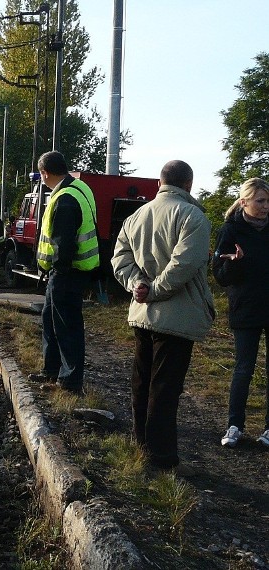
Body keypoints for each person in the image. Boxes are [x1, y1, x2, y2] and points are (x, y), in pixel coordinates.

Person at [111, 160, 215, 471]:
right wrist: (153, 289)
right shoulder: (193, 217)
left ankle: (139, 445)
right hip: (177, 317)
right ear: (188, 185)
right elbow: (184, 265)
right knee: (165, 388)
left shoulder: (136, 216)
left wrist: (137, 285)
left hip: (143, 313)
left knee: (141, 382)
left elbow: (120, 258)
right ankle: (161, 457)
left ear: (160, 183)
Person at [30, 151, 99, 394]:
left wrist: (57, 269)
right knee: (50, 319)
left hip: (67, 272)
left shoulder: (65, 198)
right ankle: (51, 370)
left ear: (44, 173)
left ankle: (70, 381)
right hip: (68, 272)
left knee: (67, 325)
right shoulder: (79, 188)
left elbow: (64, 243)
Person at [211, 177, 269, 448]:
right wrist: (234, 264)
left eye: (268, 201)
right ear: (244, 202)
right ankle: (234, 425)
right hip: (245, 307)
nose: (266, 206)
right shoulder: (230, 230)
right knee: (243, 368)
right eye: (260, 201)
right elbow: (220, 277)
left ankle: (268, 429)